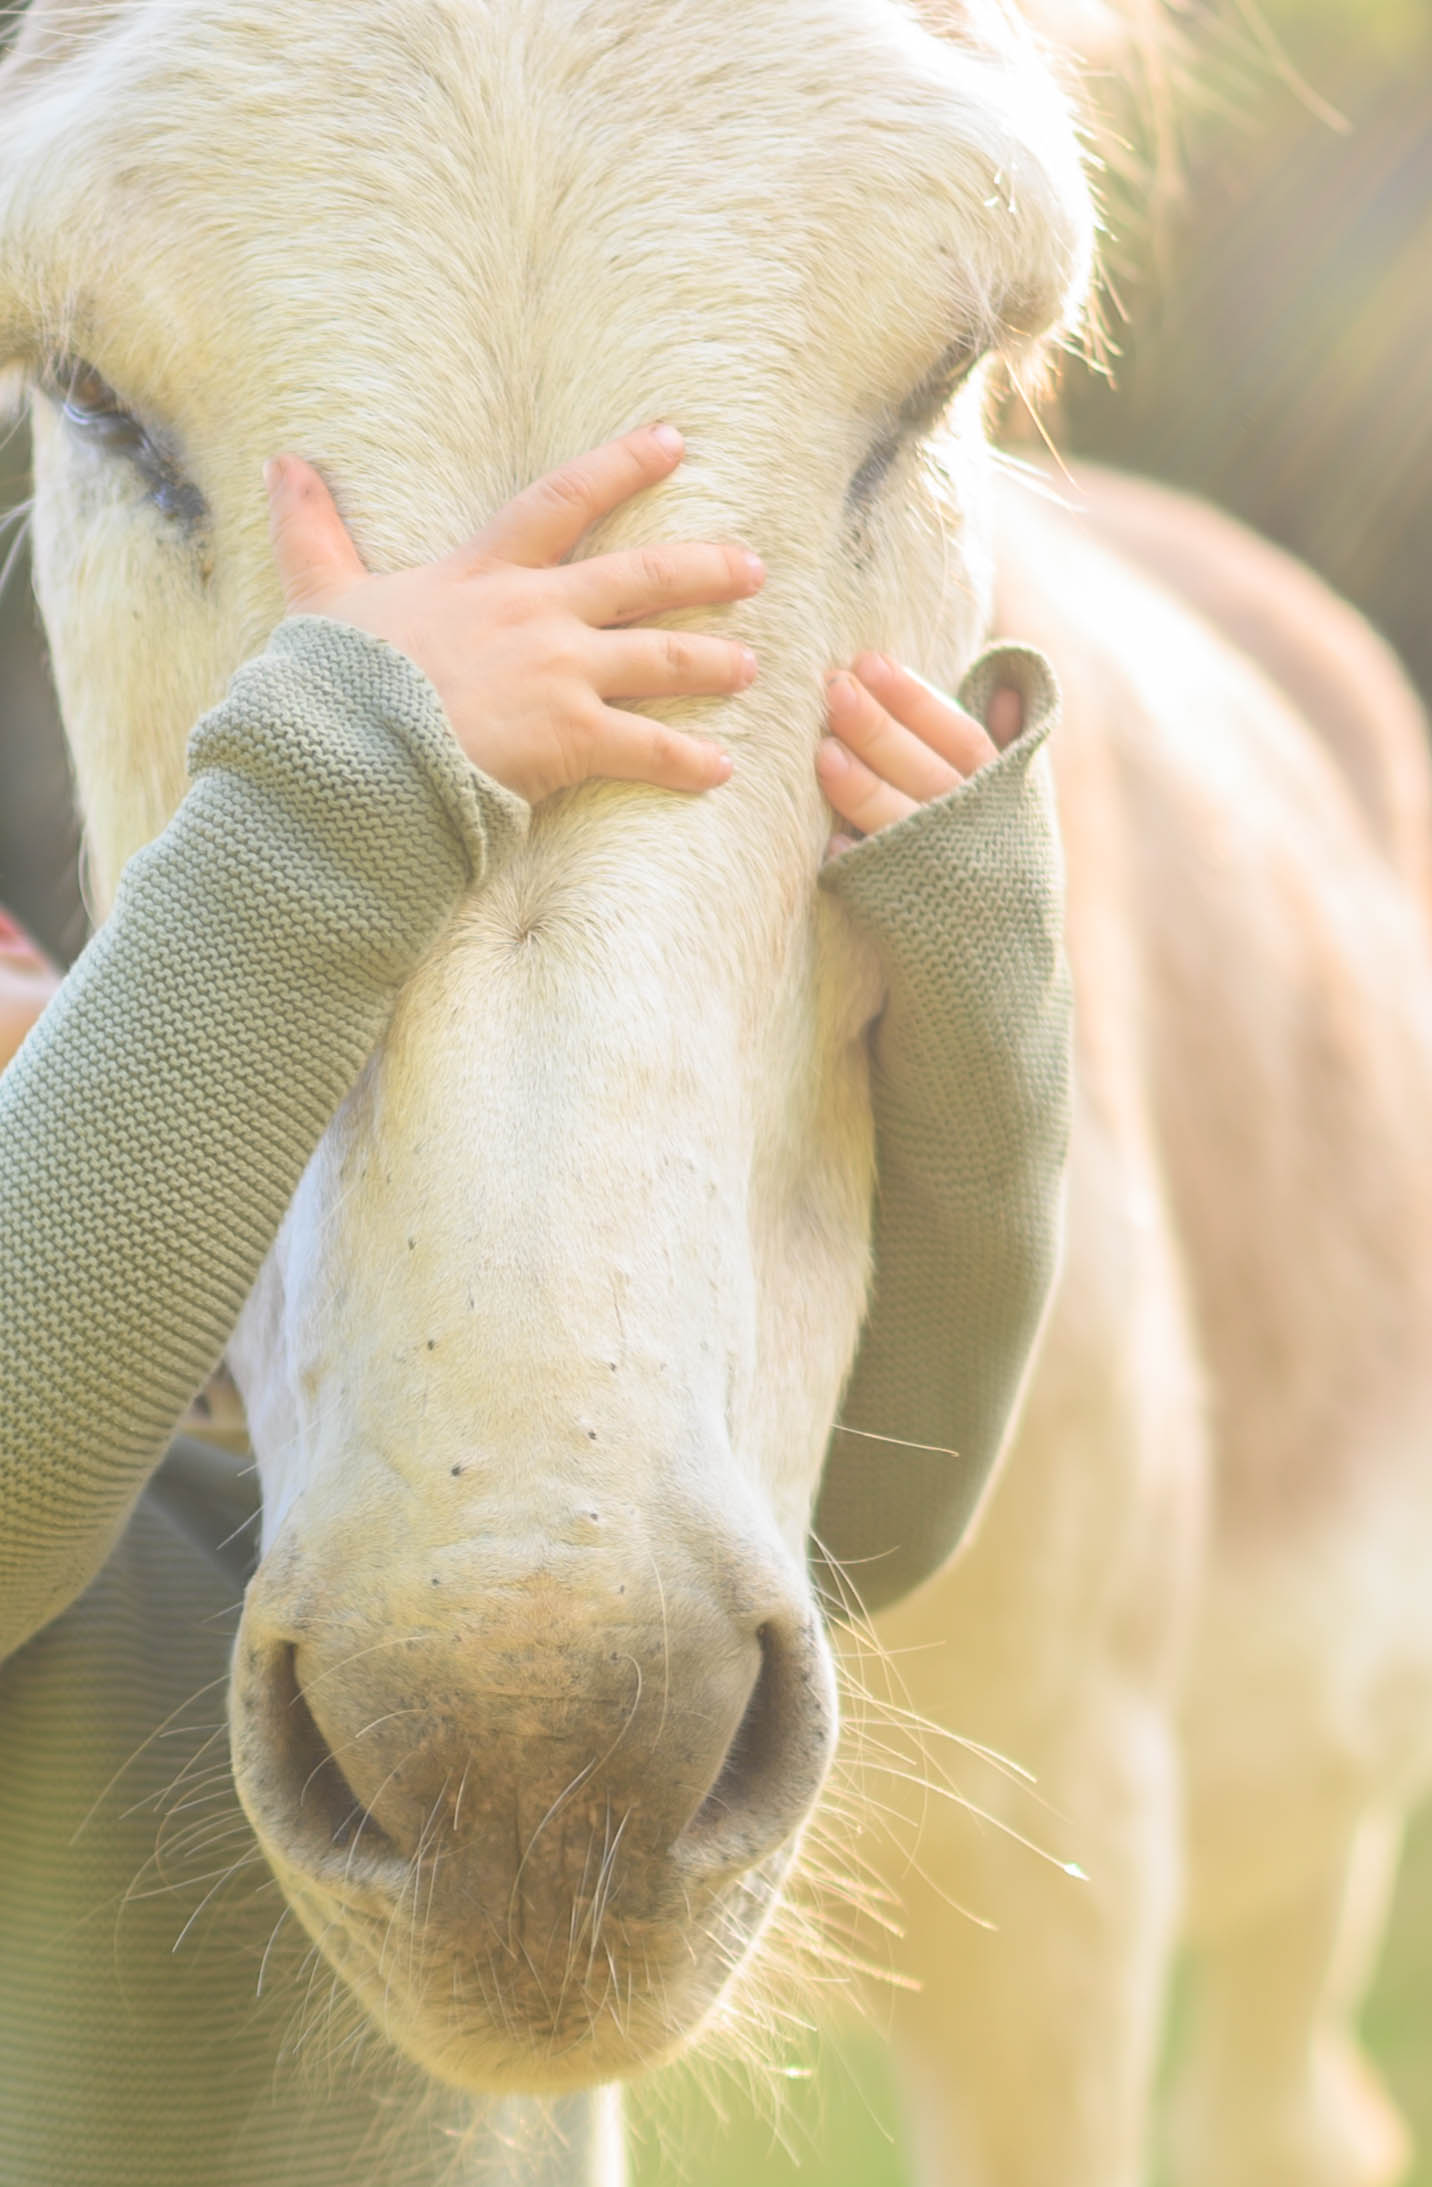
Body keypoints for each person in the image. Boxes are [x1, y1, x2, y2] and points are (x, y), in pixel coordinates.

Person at [0, 423, 1069, 2184]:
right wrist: (345, 777)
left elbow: (889, 1489)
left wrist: (969, 966)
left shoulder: (389, 1375)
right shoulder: (68, 1455)